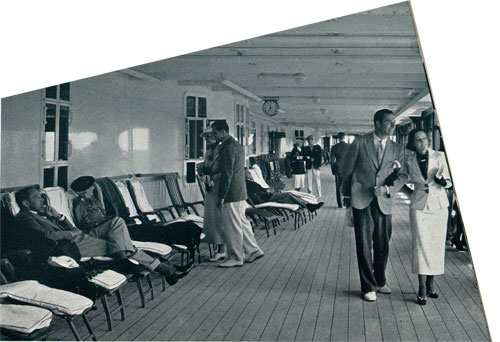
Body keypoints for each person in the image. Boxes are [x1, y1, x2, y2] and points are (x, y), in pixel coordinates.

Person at [15, 185, 186, 285]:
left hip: (80, 236)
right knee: (124, 246)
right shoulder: (25, 219)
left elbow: (69, 227)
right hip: (72, 246)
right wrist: (70, 233)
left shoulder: (42, 213)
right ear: (25, 203)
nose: (43, 200)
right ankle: (164, 268)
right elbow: (46, 237)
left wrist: (58, 217)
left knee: (117, 222)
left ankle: (152, 264)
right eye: (38, 198)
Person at [342, 109, 407, 302]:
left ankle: (380, 280)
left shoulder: (397, 148)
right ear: (377, 123)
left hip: (384, 201)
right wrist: (347, 198)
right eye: (388, 122)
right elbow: (347, 171)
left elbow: (402, 175)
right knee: (363, 245)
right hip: (361, 199)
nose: (392, 125)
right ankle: (368, 287)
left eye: (394, 122)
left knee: (382, 244)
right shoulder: (360, 143)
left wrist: (388, 189)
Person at [405, 128, 452, 305]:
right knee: (420, 246)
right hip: (419, 206)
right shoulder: (408, 159)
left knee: (435, 246)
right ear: (413, 143)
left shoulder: (440, 156)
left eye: (424, 139)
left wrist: (443, 182)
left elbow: (449, 180)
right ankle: (421, 287)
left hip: (438, 206)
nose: (423, 142)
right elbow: (402, 178)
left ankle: (431, 282)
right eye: (418, 140)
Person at [212, 120, 264, 268]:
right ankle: (254, 250)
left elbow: (227, 174)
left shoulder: (227, 147)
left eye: (216, 133)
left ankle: (236, 256)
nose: (215, 136)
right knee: (241, 221)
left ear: (223, 132)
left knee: (232, 225)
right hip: (240, 191)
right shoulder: (236, 145)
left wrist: (222, 196)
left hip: (232, 192)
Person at [198, 125, 226, 262]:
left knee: (218, 219)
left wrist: (211, 177)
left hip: (218, 188)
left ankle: (222, 249)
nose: (207, 140)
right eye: (206, 138)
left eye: (209, 137)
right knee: (211, 220)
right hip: (210, 188)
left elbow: (222, 170)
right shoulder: (209, 150)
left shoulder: (220, 150)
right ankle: (218, 248)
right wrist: (202, 171)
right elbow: (206, 166)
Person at [245, 171, 324, 212]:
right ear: (245, 174)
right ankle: (308, 205)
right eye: (248, 173)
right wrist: (267, 192)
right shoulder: (248, 183)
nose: (250, 174)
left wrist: (267, 189)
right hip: (266, 198)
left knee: (290, 194)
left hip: (268, 194)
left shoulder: (251, 182)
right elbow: (255, 194)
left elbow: (260, 190)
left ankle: (307, 205)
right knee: (288, 195)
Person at [330, 132, 349, 208]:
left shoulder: (334, 147)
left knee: (338, 186)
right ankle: (346, 202)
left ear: (338, 138)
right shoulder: (349, 146)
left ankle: (340, 204)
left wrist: (333, 169)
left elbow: (331, 160)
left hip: (338, 168)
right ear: (345, 138)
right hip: (347, 169)